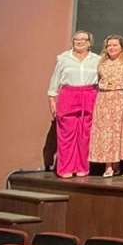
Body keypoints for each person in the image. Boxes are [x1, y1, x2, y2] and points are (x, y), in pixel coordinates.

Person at [48, 30, 101, 178]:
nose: (79, 42)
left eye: (83, 39)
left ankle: (81, 167)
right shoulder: (63, 58)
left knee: (85, 135)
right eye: (76, 39)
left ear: (89, 43)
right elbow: (55, 81)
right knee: (67, 134)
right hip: (69, 97)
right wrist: (52, 100)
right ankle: (65, 168)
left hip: (89, 96)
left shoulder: (97, 59)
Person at [88, 35, 123, 177]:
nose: (111, 48)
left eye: (115, 45)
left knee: (117, 131)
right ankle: (108, 165)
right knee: (105, 132)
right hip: (104, 99)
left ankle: (116, 163)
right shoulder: (102, 62)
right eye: (109, 46)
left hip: (119, 98)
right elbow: (99, 80)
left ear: (121, 47)